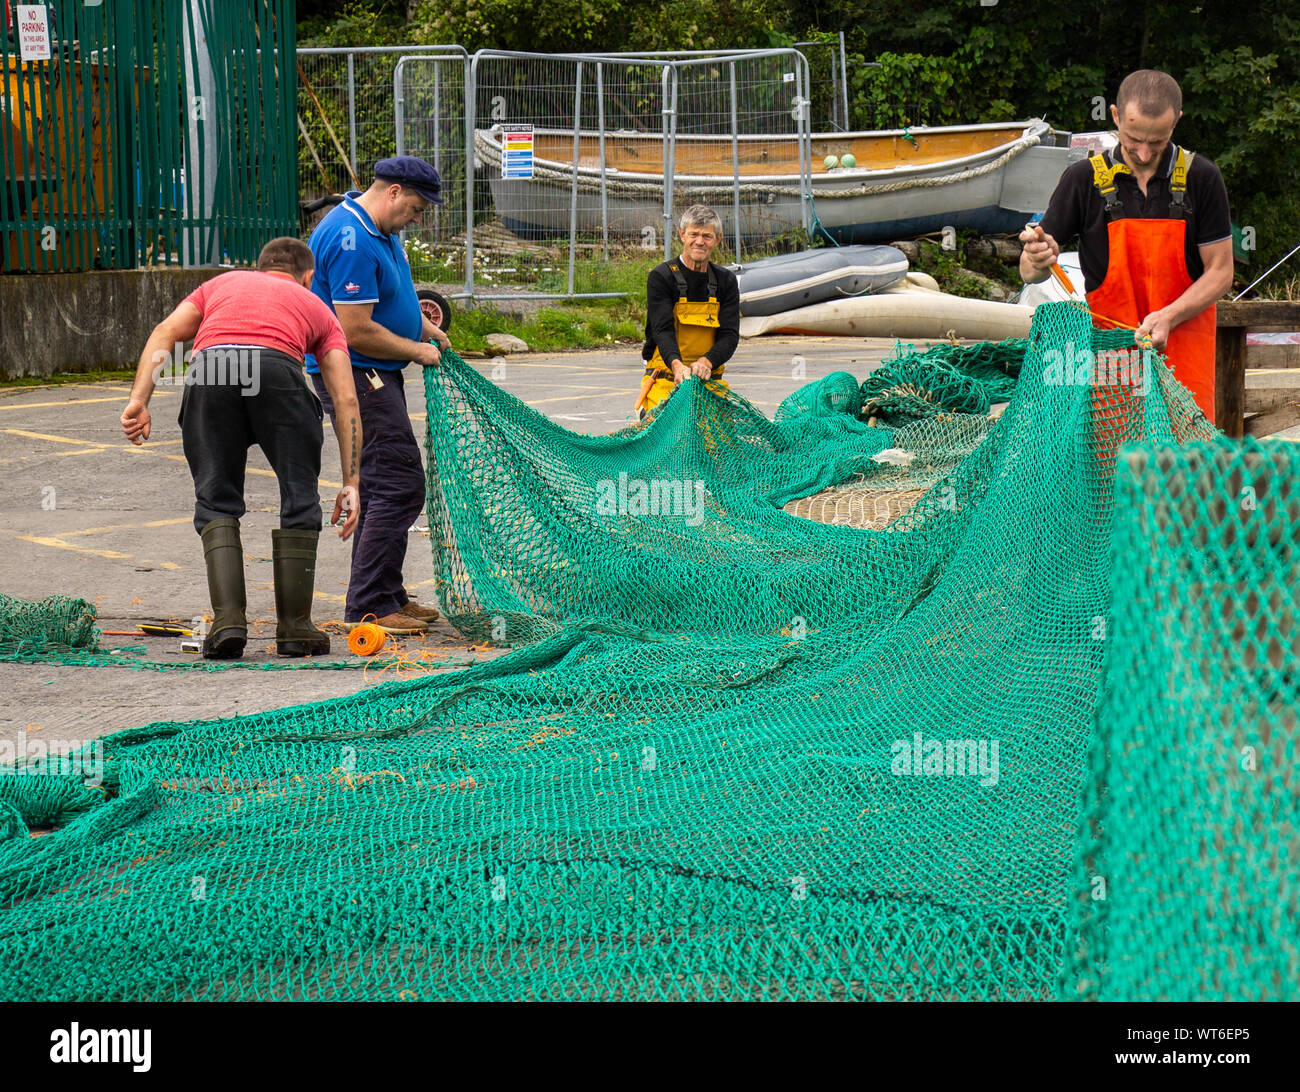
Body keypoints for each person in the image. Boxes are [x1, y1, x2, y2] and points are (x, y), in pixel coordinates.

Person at [119, 237, 361, 660]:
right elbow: (345, 400)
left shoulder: (220, 285)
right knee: (299, 496)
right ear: (308, 277)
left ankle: (229, 622)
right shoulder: (317, 307)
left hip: (212, 368)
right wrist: (351, 480)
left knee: (215, 499)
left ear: (259, 266)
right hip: (277, 372)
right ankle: (295, 629)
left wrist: (140, 398)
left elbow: (166, 333)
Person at [1020, 69, 1233, 424]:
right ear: (1115, 115)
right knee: (1114, 463)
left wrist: (1169, 316)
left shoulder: (1203, 178)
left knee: (1184, 469)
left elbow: (1221, 272)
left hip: (1185, 356)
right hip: (1112, 360)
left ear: (1176, 122)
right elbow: (1030, 271)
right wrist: (1037, 257)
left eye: (1158, 142)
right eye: (1134, 139)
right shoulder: (1082, 179)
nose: (1145, 153)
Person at [305, 156, 450, 636]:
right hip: (356, 373)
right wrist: (415, 349)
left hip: (377, 374)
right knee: (397, 483)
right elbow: (354, 330)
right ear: (392, 192)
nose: (416, 217)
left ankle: (385, 594)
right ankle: (369, 605)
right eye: (414, 207)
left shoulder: (381, 231)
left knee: (387, 481)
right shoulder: (350, 239)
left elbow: (393, 297)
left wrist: (425, 326)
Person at [636, 205, 741, 418]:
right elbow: (662, 330)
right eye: (694, 234)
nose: (700, 241)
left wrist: (706, 362)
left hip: (709, 384)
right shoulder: (661, 277)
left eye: (707, 236)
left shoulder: (726, 281)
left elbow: (729, 335)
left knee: (718, 442)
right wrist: (677, 366)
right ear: (682, 235)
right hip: (666, 382)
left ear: (718, 239)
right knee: (671, 435)